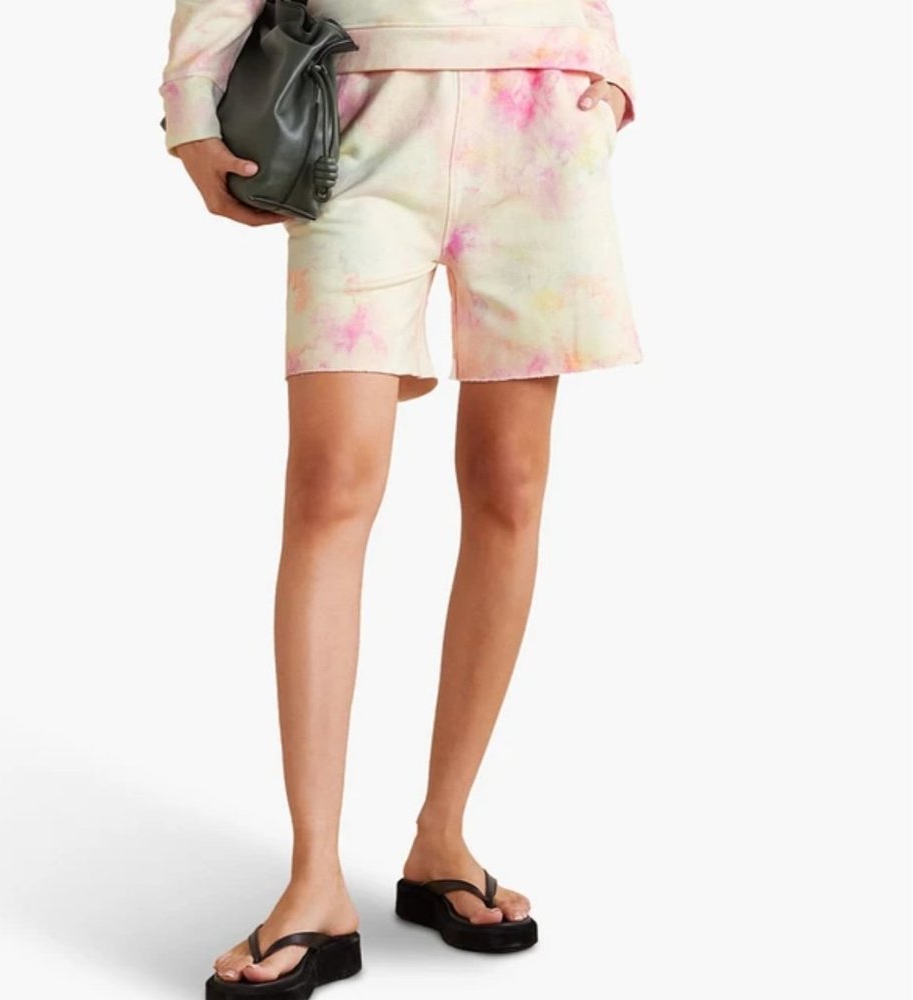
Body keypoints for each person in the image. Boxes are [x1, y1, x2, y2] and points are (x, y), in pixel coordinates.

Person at [158, 0, 643, 993]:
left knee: (510, 484)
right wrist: (191, 103)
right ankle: (314, 882)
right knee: (329, 486)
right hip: (358, 115)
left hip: (539, 121)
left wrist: (610, 73)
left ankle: (441, 837)